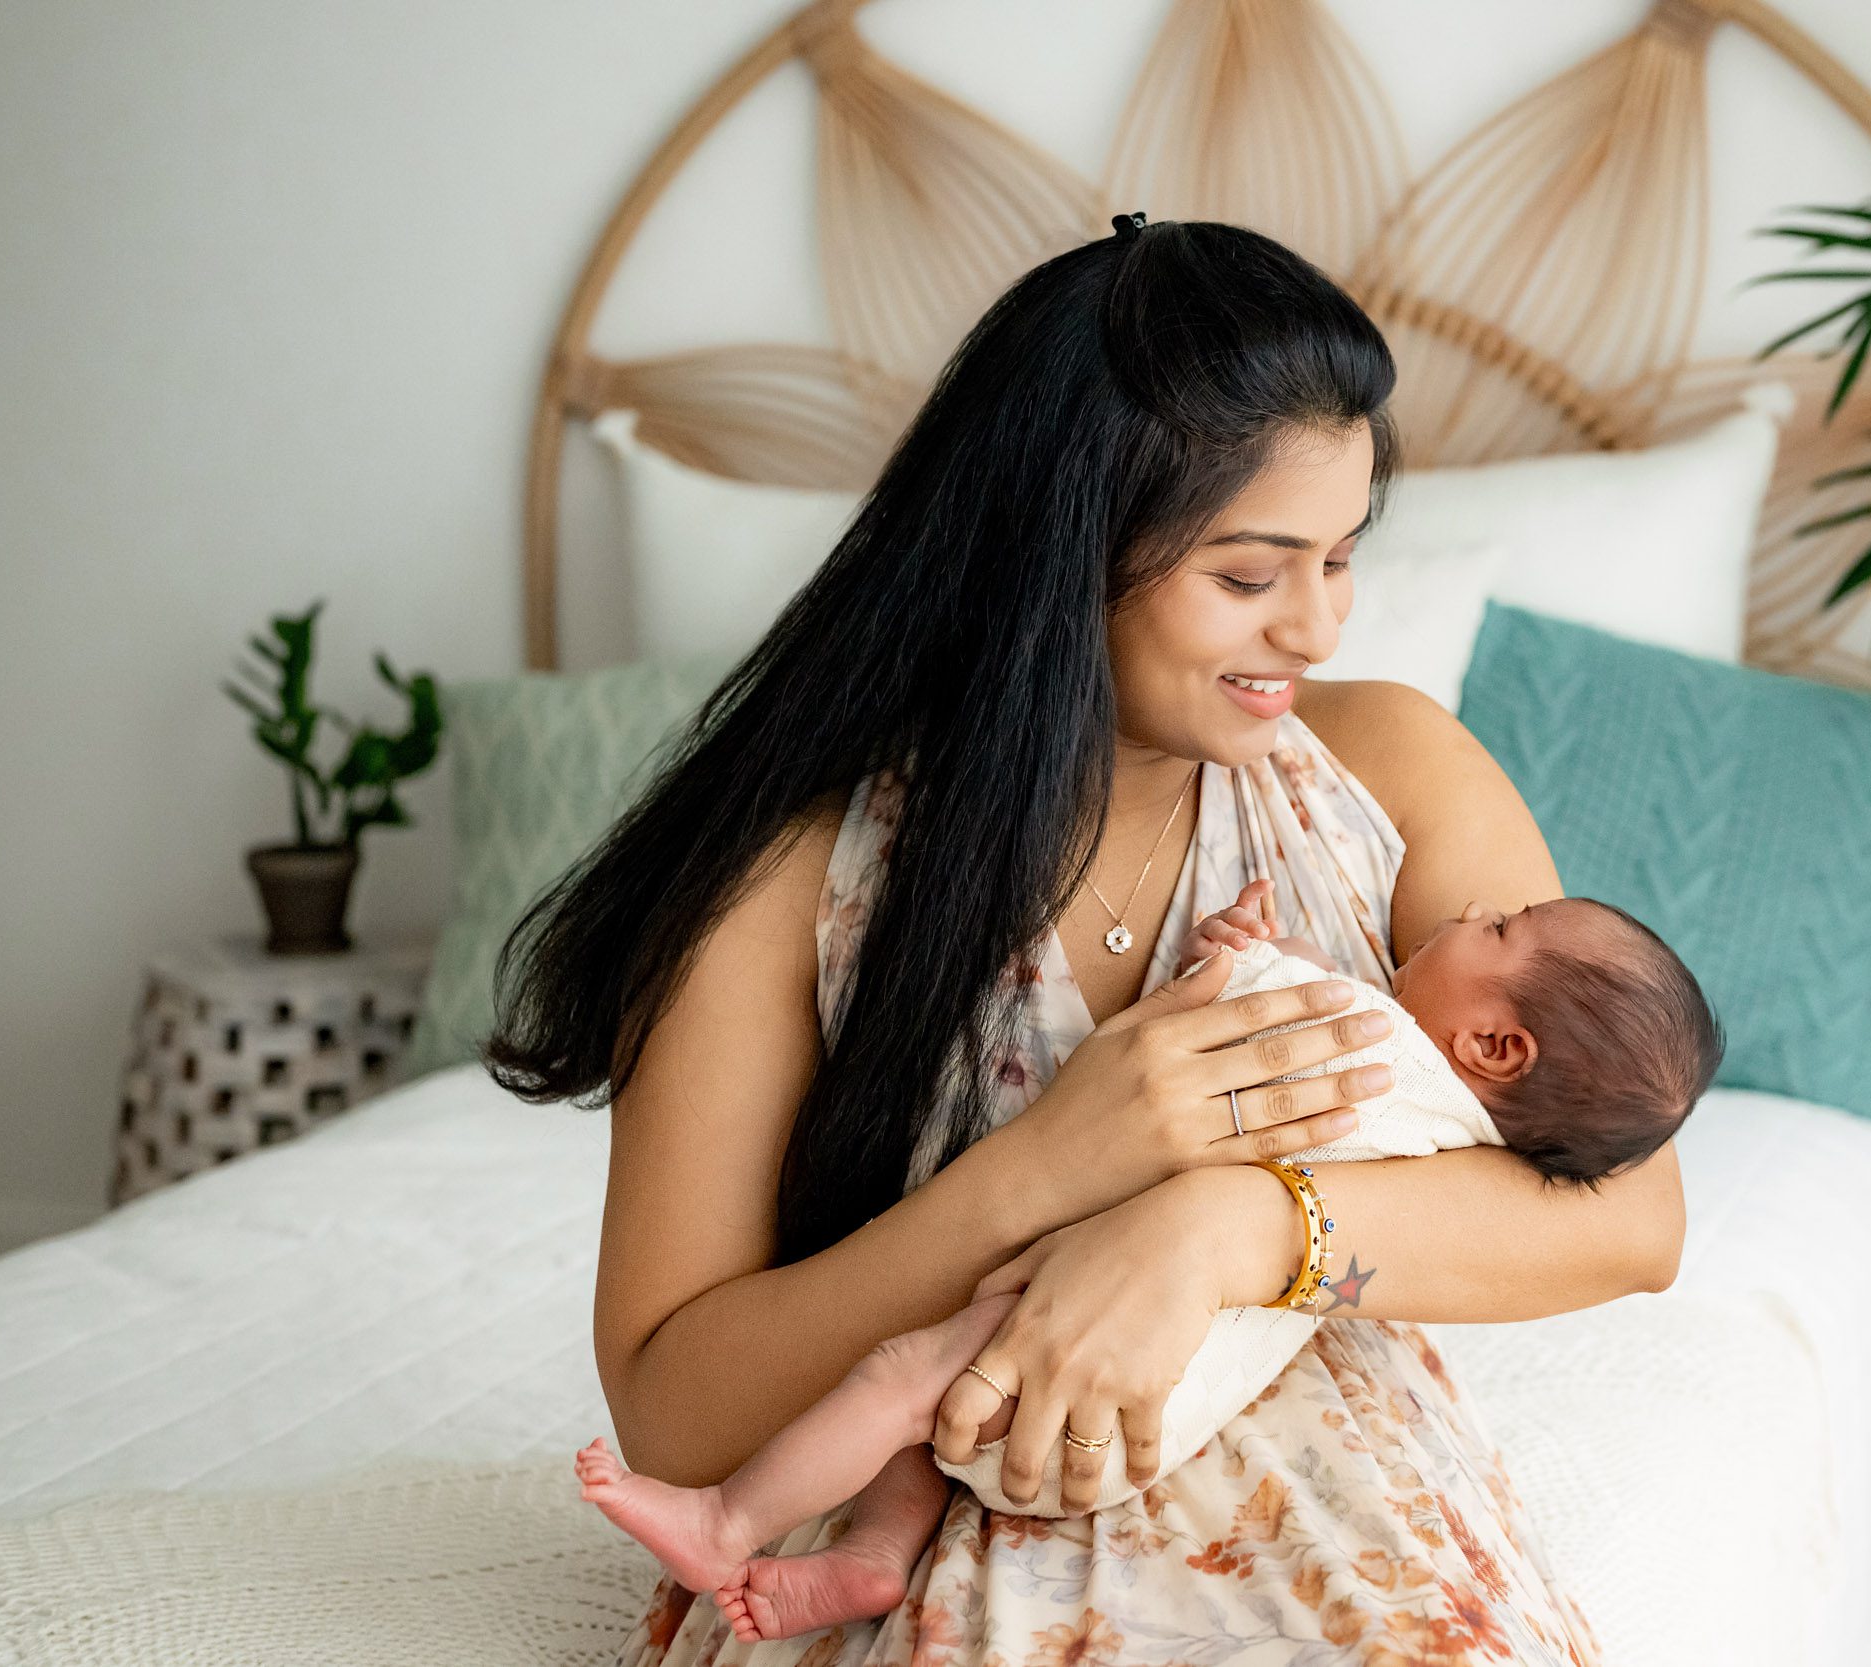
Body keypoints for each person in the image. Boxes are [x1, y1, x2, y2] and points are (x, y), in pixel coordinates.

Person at [484, 210, 1687, 1665]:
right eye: (1249, 575)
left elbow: (1631, 1219)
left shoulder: (1394, 771)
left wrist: (1222, 1230)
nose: (1317, 627)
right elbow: (671, 1411)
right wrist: (1047, 1169)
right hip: (923, 1522)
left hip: (1342, 1525)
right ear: (1063, 554)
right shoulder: (790, 879)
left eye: (1340, 557)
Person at [568, 879, 1722, 1643]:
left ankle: (728, 1521)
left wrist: (1241, 951)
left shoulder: (1372, 1044)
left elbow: (1249, 1012)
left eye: (1501, 927)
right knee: (928, 1420)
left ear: (1496, 1043)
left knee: (900, 1376)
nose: (1472, 908)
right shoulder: (1454, 1134)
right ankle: (875, 1552)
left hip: (1107, 1368)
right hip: (1160, 1413)